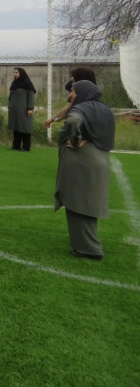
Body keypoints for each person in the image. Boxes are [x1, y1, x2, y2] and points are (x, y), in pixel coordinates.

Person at [54, 81, 115, 261]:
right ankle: (88, 245)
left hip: (82, 162)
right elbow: (101, 132)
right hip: (101, 160)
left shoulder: (80, 109)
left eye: (72, 91)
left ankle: (88, 249)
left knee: (78, 204)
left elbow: (73, 121)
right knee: (88, 204)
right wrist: (87, 139)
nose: (70, 95)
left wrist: (74, 141)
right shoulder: (103, 109)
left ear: (81, 92)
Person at [8, 67, 36, 151]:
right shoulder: (14, 83)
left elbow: (31, 96)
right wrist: (10, 106)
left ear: (21, 73)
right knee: (16, 127)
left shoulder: (27, 83)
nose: (15, 74)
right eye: (14, 73)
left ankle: (26, 147)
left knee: (25, 127)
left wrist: (30, 108)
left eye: (16, 72)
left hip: (24, 109)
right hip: (14, 110)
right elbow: (11, 96)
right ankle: (16, 146)